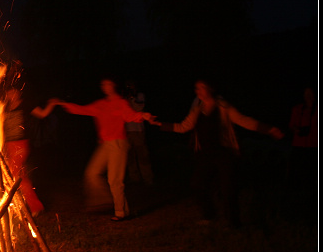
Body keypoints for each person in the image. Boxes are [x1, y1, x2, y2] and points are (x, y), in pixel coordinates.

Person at [154, 79, 284, 228]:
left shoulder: (223, 107)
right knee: (197, 185)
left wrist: (269, 129)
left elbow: (244, 120)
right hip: (205, 155)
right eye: (196, 89)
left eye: (202, 88)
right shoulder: (197, 109)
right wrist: (160, 124)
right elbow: (184, 126)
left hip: (224, 154)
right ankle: (210, 215)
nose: (198, 91)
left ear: (210, 89)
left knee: (228, 189)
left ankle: (234, 222)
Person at [56, 77, 157, 222]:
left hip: (118, 144)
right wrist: (62, 104)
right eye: (103, 84)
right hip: (105, 145)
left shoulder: (121, 103)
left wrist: (143, 115)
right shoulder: (100, 104)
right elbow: (82, 109)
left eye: (108, 84)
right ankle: (104, 201)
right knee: (91, 173)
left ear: (114, 86)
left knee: (115, 180)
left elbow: (130, 115)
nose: (105, 86)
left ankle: (121, 212)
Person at [1, 86, 60, 217]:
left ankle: (35, 207)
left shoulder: (25, 105)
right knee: (17, 175)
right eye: (9, 93)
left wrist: (51, 104)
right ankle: (24, 206)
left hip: (21, 143)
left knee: (16, 174)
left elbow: (42, 114)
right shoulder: (5, 108)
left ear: (18, 93)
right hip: (8, 144)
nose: (12, 95)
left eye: (14, 92)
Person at [287, 85, 317, 211]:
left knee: (312, 175)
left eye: (311, 93)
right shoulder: (298, 109)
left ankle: (312, 202)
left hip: (314, 146)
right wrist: (297, 129)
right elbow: (291, 125)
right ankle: (298, 203)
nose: (308, 96)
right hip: (299, 145)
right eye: (306, 94)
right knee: (299, 174)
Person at [124, 80, 154, 186]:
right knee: (130, 156)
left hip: (137, 130)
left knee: (142, 155)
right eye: (128, 86)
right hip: (126, 131)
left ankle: (147, 178)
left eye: (131, 86)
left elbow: (138, 108)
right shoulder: (124, 98)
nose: (130, 88)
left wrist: (132, 98)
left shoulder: (139, 96)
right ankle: (134, 177)